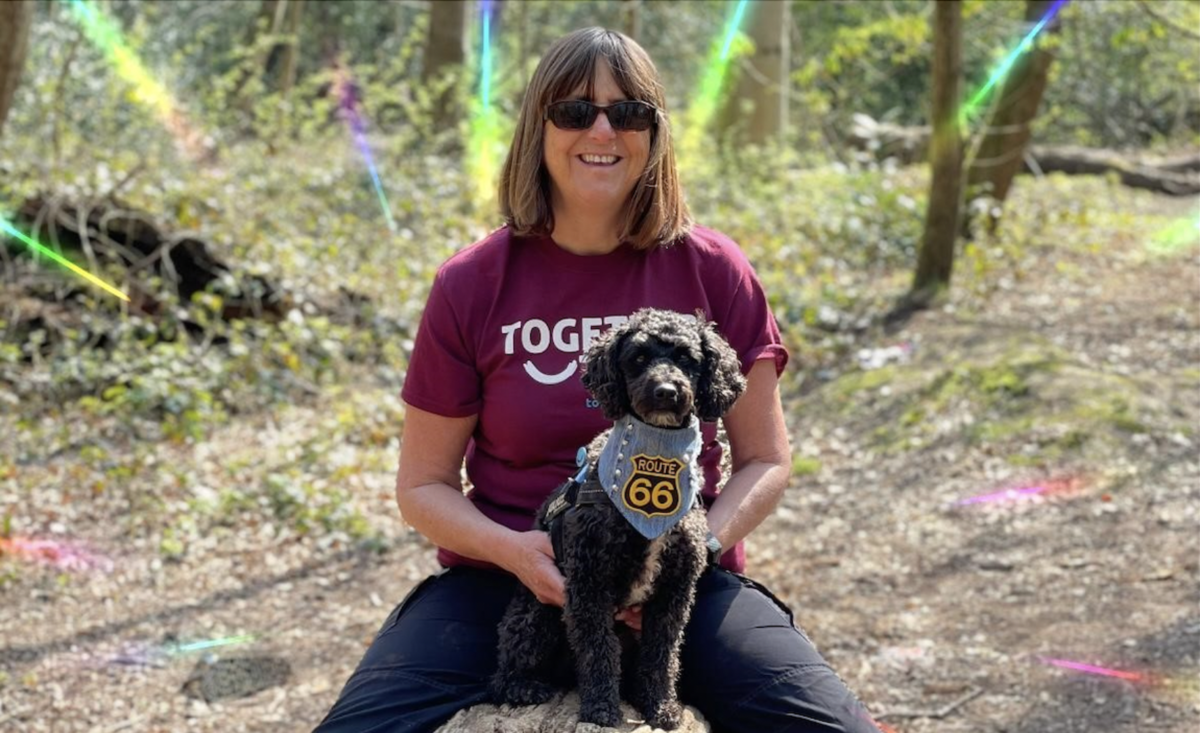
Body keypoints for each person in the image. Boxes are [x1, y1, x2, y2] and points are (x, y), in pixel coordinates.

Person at [315, 27, 878, 733]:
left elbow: (765, 457)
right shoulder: (472, 284)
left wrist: (687, 549)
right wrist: (517, 552)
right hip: (507, 576)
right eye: (576, 111)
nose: (603, 129)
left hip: (684, 581)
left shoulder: (713, 269)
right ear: (538, 128)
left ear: (654, 132)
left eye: (629, 111)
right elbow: (421, 485)